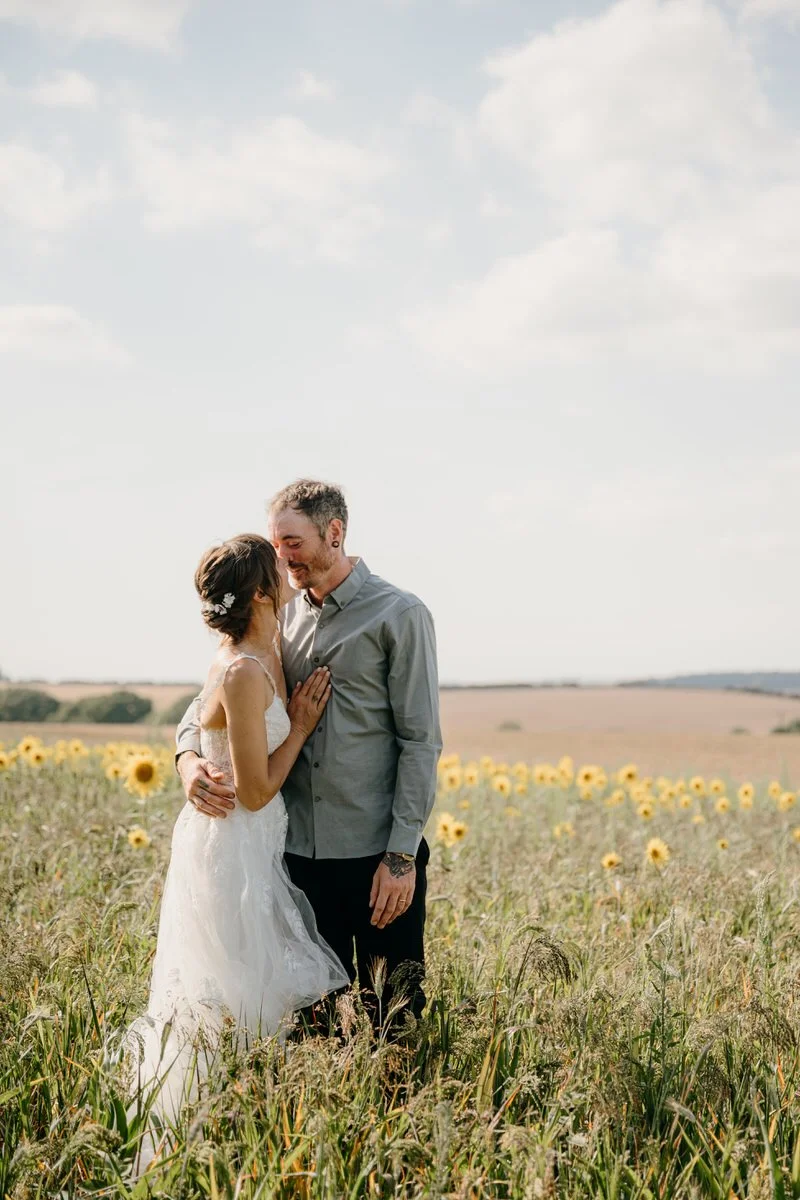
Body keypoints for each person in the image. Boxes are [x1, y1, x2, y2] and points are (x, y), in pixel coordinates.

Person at [176, 479, 442, 1031]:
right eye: (276, 544)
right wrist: (187, 759)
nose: (281, 557)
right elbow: (212, 698)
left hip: (374, 857)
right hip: (291, 860)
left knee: (393, 1019)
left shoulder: (400, 614)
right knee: (309, 1031)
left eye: (292, 542)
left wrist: (400, 856)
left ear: (335, 533)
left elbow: (420, 742)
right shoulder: (276, 615)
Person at [126, 533, 349, 1125]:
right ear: (260, 593)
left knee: (258, 991)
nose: (289, 571)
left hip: (259, 841)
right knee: (231, 991)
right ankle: (206, 1125)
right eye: (279, 567)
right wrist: (299, 727)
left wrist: (190, 754)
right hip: (233, 840)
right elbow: (251, 792)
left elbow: (200, 724)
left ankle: (249, 1122)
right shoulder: (244, 670)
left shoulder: (267, 649)